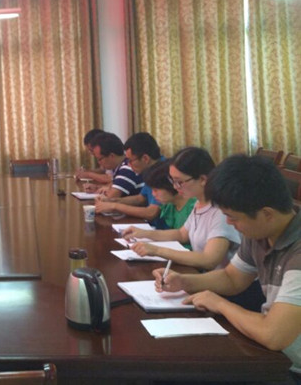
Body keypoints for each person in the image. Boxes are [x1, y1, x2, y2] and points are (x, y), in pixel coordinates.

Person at [153, 154, 301, 377]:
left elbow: (273, 335)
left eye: (233, 217)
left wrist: (220, 304)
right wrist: (184, 281)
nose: (229, 223)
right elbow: (232, 278)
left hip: (289, 368)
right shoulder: (260, 232)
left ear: (267, 214)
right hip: (271, 355)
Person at [123, 147, 240, 270]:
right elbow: (182, 234)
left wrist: (157, 250)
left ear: (202, 180)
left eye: (179, 182)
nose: (175, 187)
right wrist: (143, 233)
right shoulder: (199, 203)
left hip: (218, 279)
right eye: (173, 181)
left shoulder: (221, 211)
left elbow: (209, 260)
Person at [95, 132, 164, 219]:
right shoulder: (152, 170)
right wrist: (112, 201)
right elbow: (141, 198)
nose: (128, 165)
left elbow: (151, 212)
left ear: (145, 158)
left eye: (130, 161)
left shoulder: (163, 172)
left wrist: (115, 206)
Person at [141, 160, 195, 235]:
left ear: (170, 186)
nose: (153, 194)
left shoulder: (193, 207)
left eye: (156, 190)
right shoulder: (168, 205)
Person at [88, 132, 144, 198]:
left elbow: (111, 197)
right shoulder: (120, 166)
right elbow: (113, 187)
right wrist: (97, 188)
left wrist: (107, 191)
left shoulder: (127, 167)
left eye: (100, 159)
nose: (99, 162)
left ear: (111, 156)